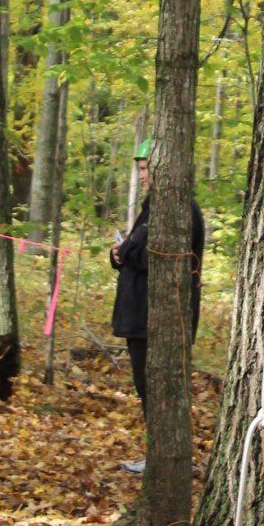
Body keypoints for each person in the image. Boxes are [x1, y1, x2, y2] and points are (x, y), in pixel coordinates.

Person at [110, 163, 207, 432]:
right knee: (145, 387)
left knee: (160, 391)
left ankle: (160, 457)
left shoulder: (183, 209)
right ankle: (154, 456)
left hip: (161, 319)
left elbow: (167, 261)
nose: (142, 175)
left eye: (146, 169)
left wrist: (129, 250)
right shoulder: (150, 208)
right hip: (140, 317)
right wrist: (118, 254)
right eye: (139, 169)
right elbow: (135, 251)